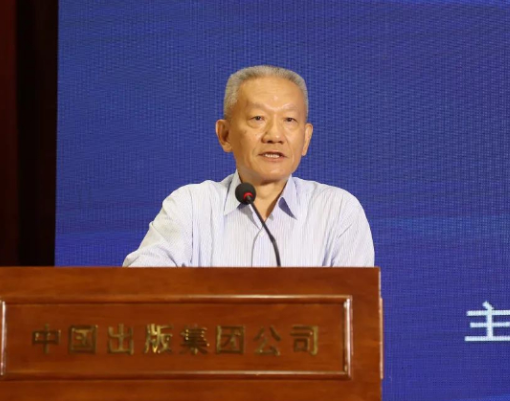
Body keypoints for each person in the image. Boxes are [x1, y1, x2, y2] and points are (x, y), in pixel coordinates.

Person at [123, 65, 374, 267]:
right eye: (258, 118)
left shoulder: (337, 211)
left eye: (289, 120)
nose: (274, 135)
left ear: (306, 138)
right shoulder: (190, 207)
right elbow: (138, 289)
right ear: (225, 134)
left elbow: (357, 308)